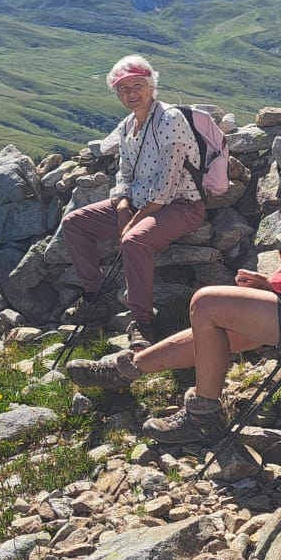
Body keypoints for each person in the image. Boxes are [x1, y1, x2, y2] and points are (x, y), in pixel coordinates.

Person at [67, 86, 281, 445]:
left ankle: (202, 416)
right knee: (217, 323)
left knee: (207, 304)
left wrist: (277, 285)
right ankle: (125, 371)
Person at [61, 55, 207, 350]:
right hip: (140, 203)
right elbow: (124, 173)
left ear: (152, 86)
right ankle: (95, 296)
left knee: (134, 241)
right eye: (123, 88)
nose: (131, 93)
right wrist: (122, 206)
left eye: (137, 85)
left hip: (182, 205)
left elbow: (167, 183)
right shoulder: (128, 126)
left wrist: (134, 220)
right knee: (74, 223)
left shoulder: (170, 119)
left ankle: (142, 321)